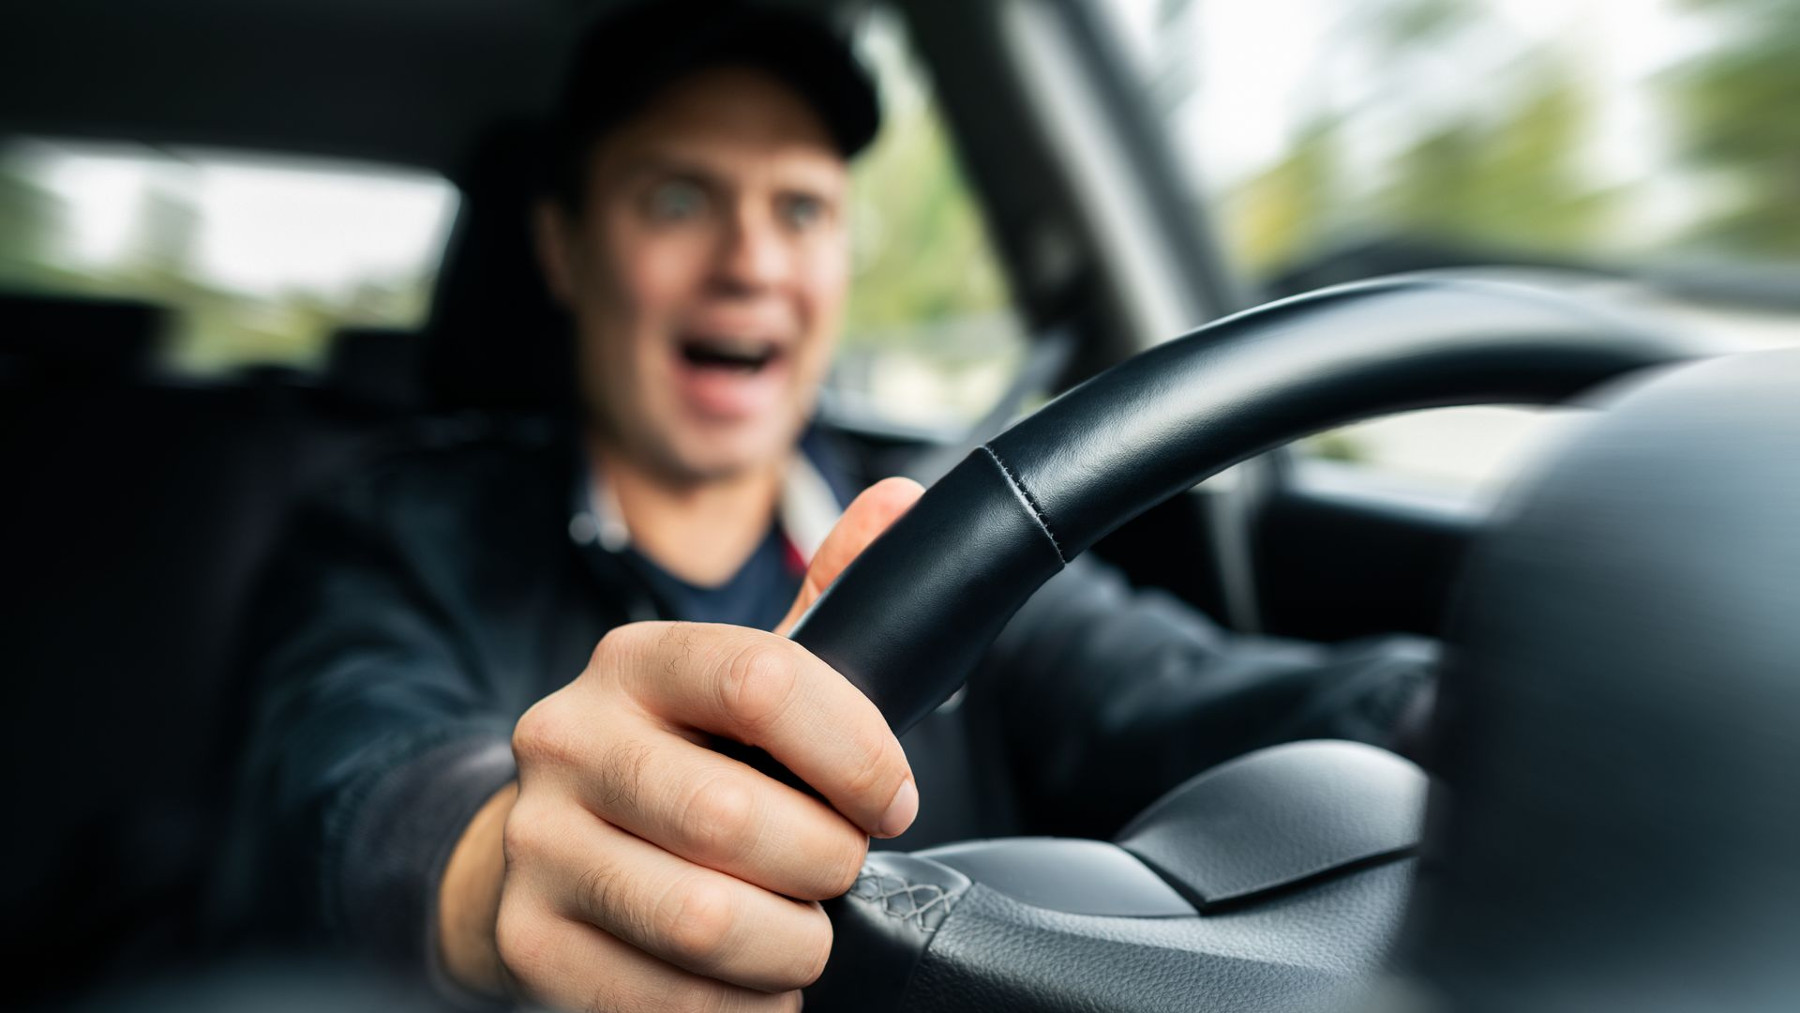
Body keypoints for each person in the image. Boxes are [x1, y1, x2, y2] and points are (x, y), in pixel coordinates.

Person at [232, 2, 1436, 1010]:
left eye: (800, 208)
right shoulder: (396, 528)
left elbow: (1179, 688)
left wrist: (1474, 711)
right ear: (564, 247)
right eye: (678, 199)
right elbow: (347, 779)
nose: (752, 261)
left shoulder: (937, 530)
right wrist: (506, 857)